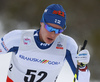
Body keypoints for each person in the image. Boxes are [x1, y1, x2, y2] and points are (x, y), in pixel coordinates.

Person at [0, 4, 90, 82]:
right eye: (50, 28)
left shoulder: (67, 45)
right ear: (42, 22)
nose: (53, 34)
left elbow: (84, 80)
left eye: (59, 30)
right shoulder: (18, 38)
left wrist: (83, 66)